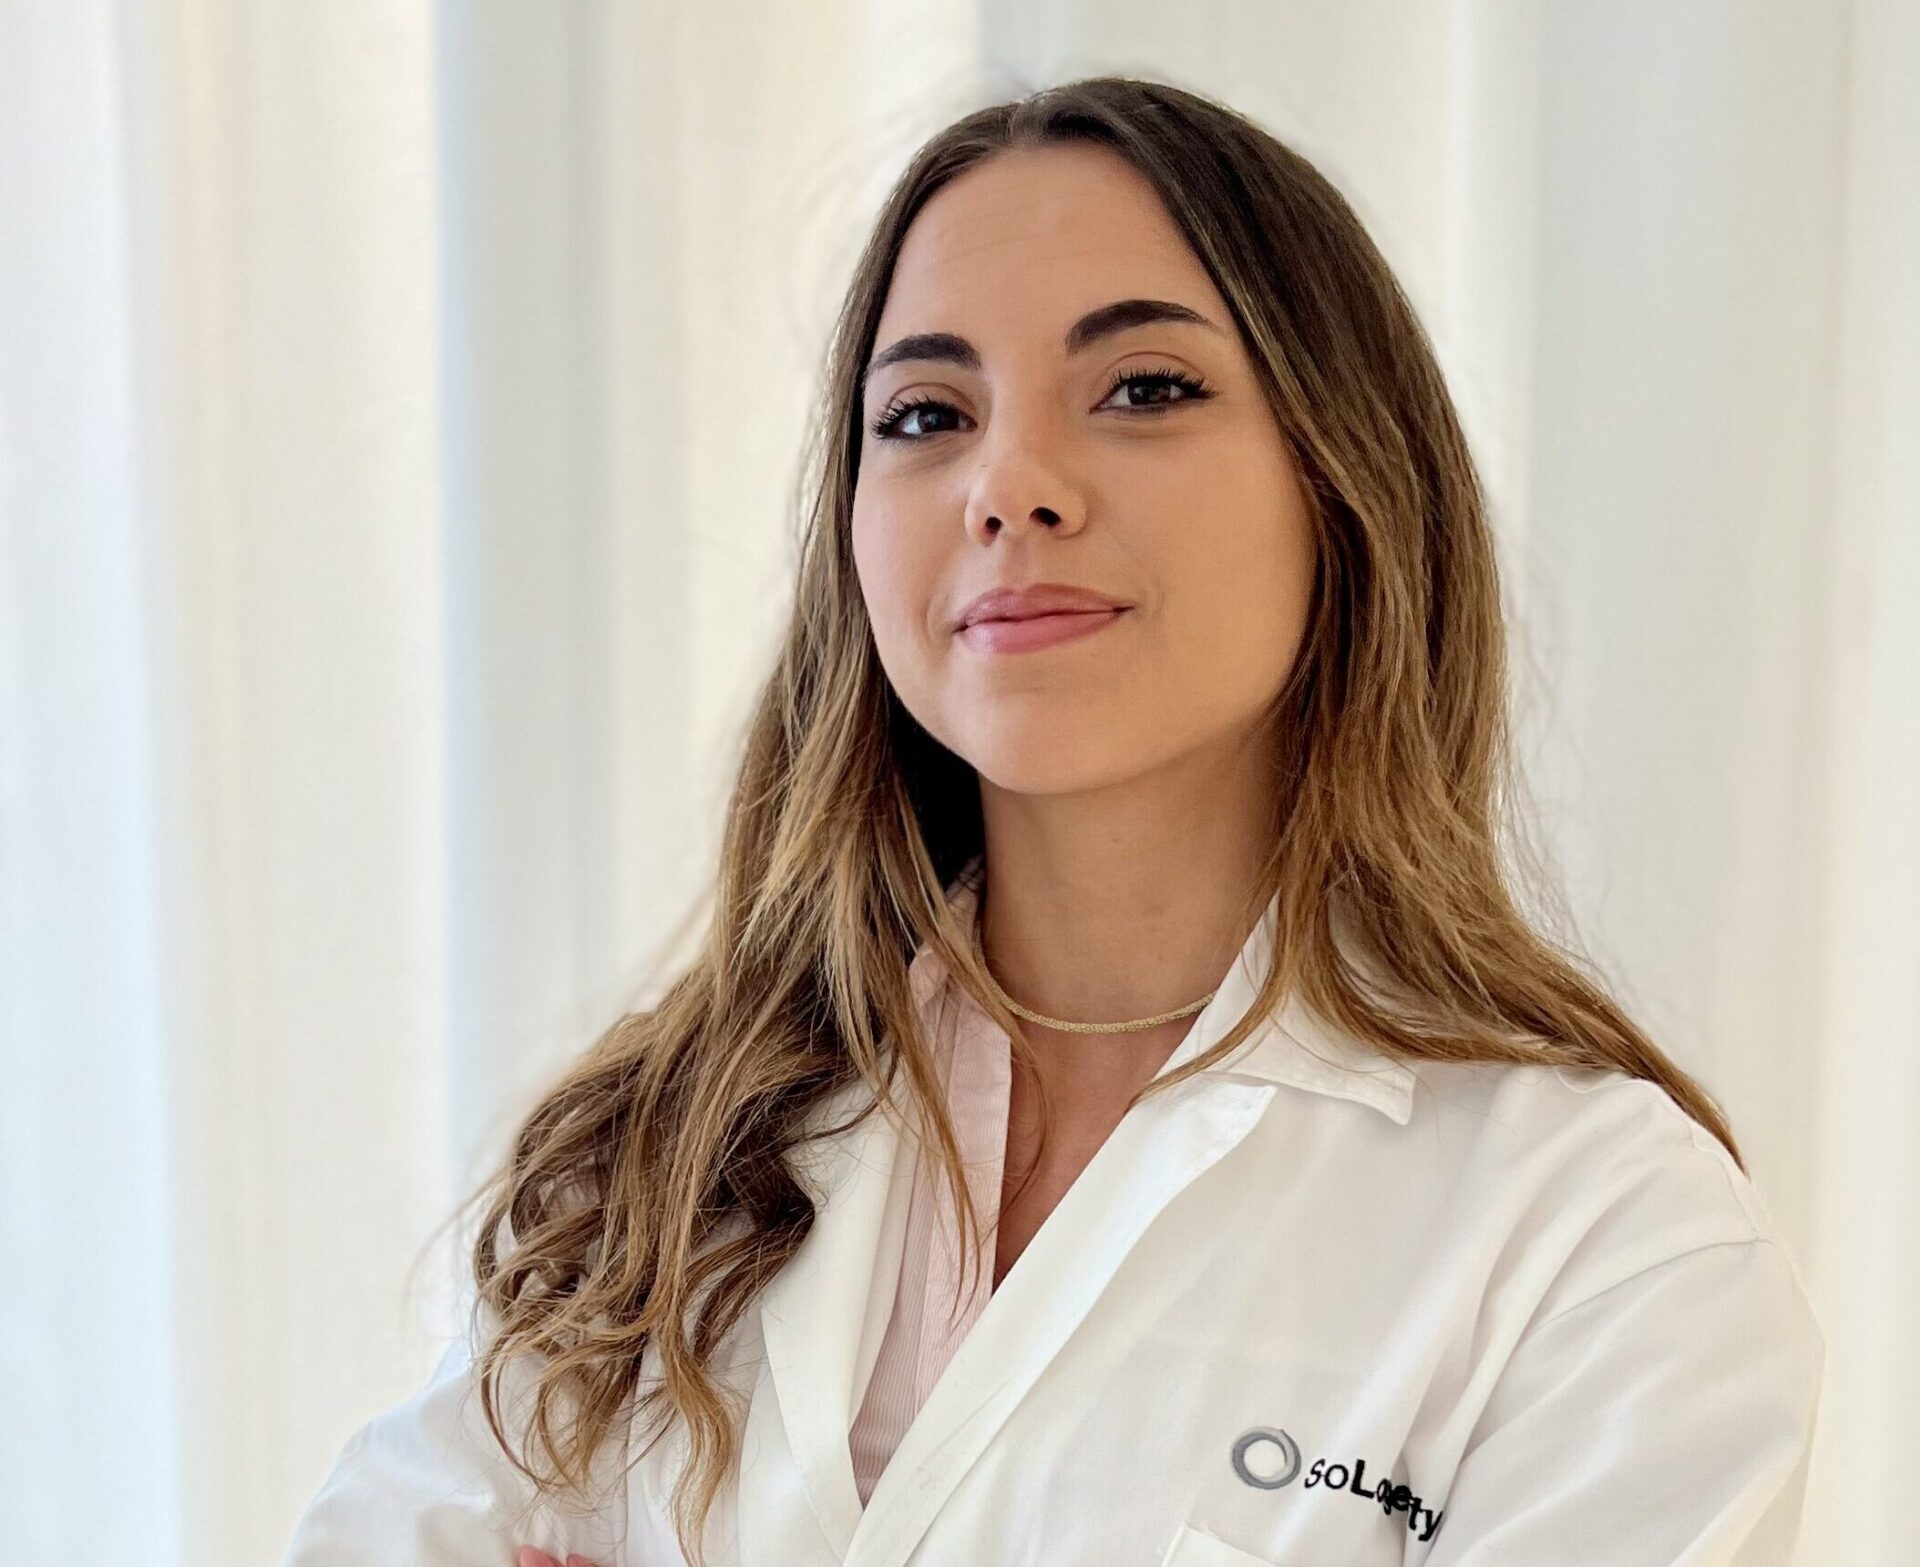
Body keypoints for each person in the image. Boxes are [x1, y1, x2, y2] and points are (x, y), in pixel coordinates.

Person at [282, 75, 1824, 1567]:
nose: (1009, 486)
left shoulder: (1603, 1248)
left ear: (1347, 478)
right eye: (926, 413)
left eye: (1145, 390)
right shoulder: (670, 1153)